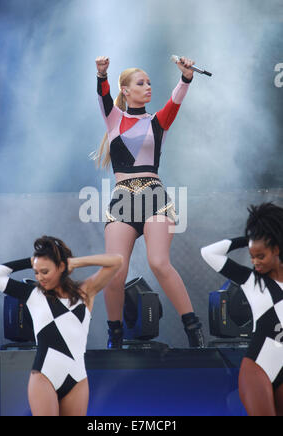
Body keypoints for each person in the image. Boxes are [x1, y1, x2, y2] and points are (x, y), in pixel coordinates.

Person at [94, 55, 205, 349]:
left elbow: (176, 101)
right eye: (141, 83)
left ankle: (193, 328)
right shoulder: (114, 119)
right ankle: (114, 334)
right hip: (122, 199)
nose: (148, 87)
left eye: (150, 83)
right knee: (115, 272)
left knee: (159, 262)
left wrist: (186, 77)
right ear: (126, 90)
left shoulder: (158, 121)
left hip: (153, 196)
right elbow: (103, 96)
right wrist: (102, 74)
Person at [0, 236, 123, 416]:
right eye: (36, 272)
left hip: (78, 379)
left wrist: (75, 262)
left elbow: (117, 261)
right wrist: (29, 261)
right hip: (44, 377)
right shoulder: (32, 294)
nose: (39, 277)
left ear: (61, 267)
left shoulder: (85, 292)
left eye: (45, 271)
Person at [201, 203, 283, 416]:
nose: (255, 262)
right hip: (259, 368)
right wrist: (247, 239)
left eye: (261, 256)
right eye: (252, 255)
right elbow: (209, 253)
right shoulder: (252, 280)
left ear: (276, 249)